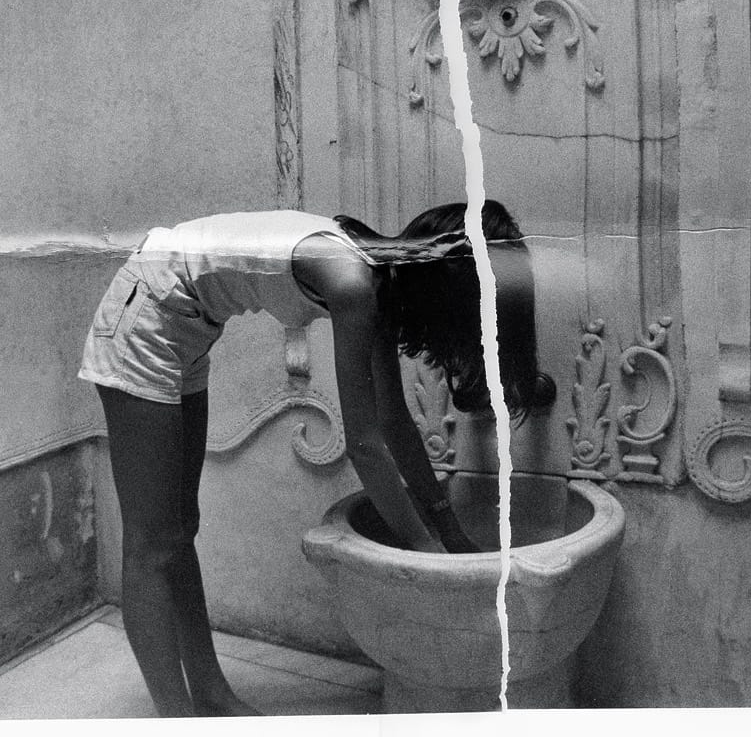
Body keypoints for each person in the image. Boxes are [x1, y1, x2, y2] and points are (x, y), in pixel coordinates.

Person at [77, 201, 555, 716]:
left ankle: (211, 693)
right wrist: (424, 548)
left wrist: (450, 530)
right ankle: (177, 721)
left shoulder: (377, 281)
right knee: (152, 543)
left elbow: (394, 421)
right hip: (144, 318)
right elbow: (366, 441)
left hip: (186, 331)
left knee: (179, 529)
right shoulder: (351, 281)